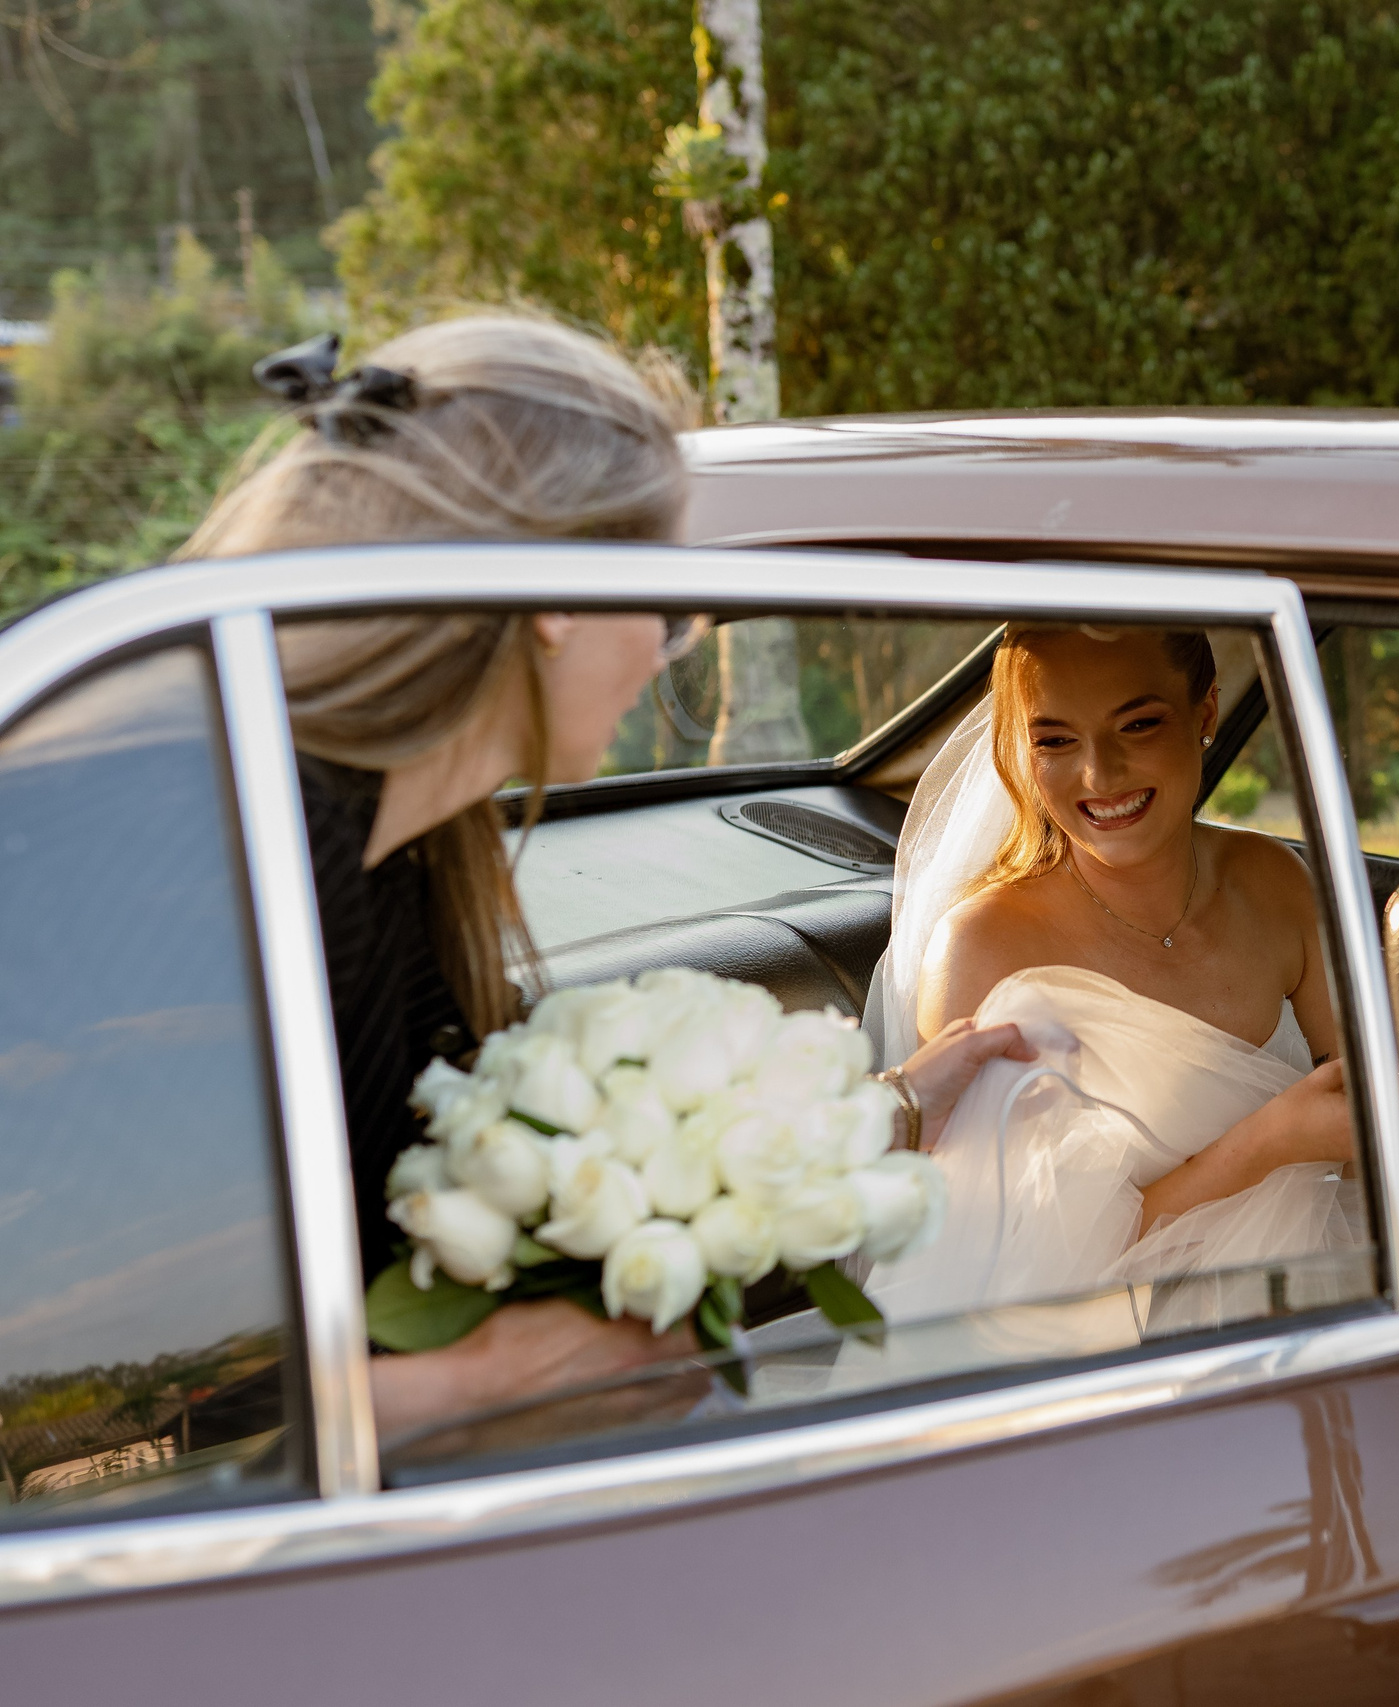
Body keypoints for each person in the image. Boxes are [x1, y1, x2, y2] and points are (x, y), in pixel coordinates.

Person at [181, 316, 1032, 1442]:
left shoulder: (410, 855)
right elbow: (156, 1402)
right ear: (552, 601)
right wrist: (488, 1382)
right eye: (664, 603)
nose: (668, 646)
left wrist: (856, 1127)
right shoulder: (262, 870)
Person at [860, 624, 1360, 1323]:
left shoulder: (1276, 882)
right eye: (1055, 740)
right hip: (1104, 1358)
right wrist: (1269, 1145)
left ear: (1206, 712)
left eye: (1139, 723)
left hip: (1322, 1287)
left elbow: (1368, 1123)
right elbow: (1010, 1273)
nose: (1099, 773)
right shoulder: (984, 952)